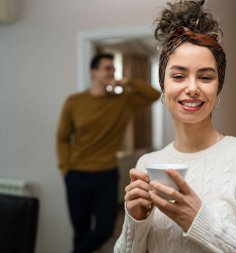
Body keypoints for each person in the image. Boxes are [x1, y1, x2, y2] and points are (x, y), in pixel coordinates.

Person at [114, 0, 236, 252]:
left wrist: (200, 222)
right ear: (163, 85)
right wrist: (135, 220)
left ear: (218, 88)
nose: (192, 88)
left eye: (205, 77)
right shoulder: (147, 165)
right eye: (179, 76)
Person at [56, 53, 160, 253]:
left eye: (113, 68)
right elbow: (62, 138)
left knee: (104, 230)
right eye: (106, 68)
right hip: (77, 176)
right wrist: (65, 170)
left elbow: (154, 94)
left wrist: (127, 81)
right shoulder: (74, 102)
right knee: (80, 232)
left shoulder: (123, 101)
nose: (111, 72)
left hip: (106, 176)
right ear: (93, 72)